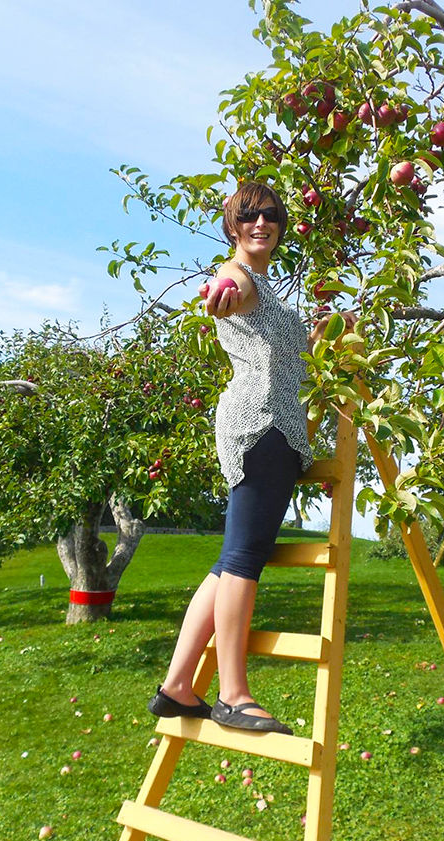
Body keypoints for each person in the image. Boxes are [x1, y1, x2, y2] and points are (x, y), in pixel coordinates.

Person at [146, 182, 355, 735]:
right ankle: (234, 695)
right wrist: (222, 291)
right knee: (244, 558)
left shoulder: (267, 289)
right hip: (259, 425)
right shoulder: (238, 278)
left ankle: (177, 685)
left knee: (230, 559)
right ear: (233, 226)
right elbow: (227, 290)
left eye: (270, 215)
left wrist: (327, 333)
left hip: (274, 430)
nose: (260, 223)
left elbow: (291, 356)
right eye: (248, 216)